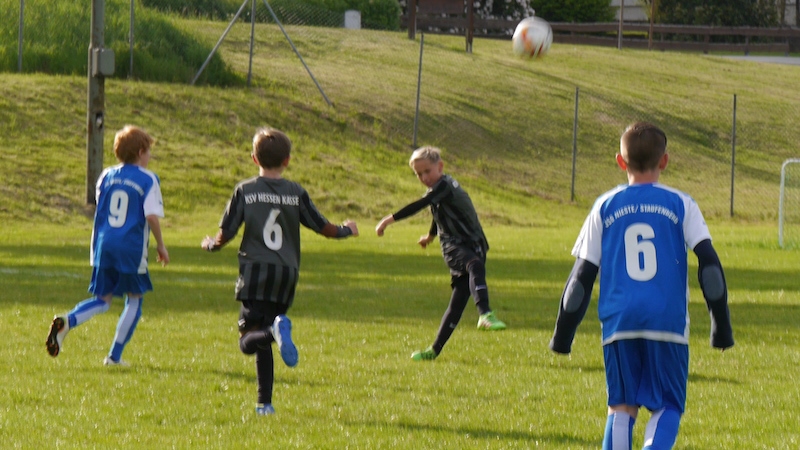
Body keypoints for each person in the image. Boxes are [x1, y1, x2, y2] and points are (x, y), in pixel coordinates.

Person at [549, 122, 734, 450]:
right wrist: (721, 327)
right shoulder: (681, 204)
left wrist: (562, 336)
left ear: (620, 162)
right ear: (664, 161)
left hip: (620, 321)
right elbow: (710, 266)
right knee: (667, 405)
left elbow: (581, 279)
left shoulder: (604, 206)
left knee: (621, 406)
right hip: (667, 321)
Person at [201, 127, 358, 416]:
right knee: (264, 337)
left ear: (254, 158)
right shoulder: (296, 192)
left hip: (256, 272)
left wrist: (211, 244)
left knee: (248, 340)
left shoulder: (245, 190)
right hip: (286, 275)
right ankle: (265, 404)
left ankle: (274, 333)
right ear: (287, 160)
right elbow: (323, 227)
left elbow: (227, 231)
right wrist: (347, 229)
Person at [46, 125, 170, 366]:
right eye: (149, 152)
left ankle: (68, 321)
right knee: (135, 299)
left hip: (103, 245)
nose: (150, 156)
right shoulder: (148, 179)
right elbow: (151, 216)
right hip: (130, 247)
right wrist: (161, 246)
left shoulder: (106, 175)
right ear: (141, 152)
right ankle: (114, 356)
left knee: (103, 299)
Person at [376, 146, 506, 362]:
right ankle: (485, 313)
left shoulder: (444, 186)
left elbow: (430, 207)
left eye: (427, 171)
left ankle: (433, 351)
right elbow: (431, 208)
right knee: (474, 265)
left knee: (457, 303)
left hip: (474, 243)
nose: (424, 177)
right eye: (419, 174)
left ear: (440, 166)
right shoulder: (441, 188)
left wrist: (421, 233)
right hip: (455, 246)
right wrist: (423, 233)